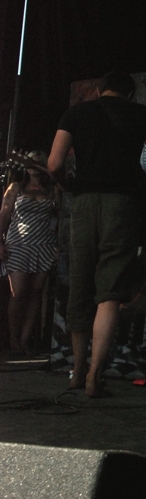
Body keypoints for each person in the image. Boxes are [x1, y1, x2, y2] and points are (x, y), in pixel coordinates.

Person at [47, 71, 146, 397]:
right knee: (109, 290)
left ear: (100, 91)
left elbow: (54, 164)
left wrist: (70, 188)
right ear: (129, 93)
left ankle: (76, 371)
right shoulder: (141, 113)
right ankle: (95, 377)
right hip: (123, 205)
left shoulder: (75, 113)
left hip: (84, 203)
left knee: (80, 285)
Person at [0, 151, 59, 354]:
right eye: (30, 161)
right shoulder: (16, 188)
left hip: (44, 245)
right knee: (18, 293)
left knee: (36, 293)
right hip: (18, 244)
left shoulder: (51, 189)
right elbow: (4, 215)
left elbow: (61, 213)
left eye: (38, 161)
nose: (34, 165)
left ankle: (25, 340)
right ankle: (13, 340)